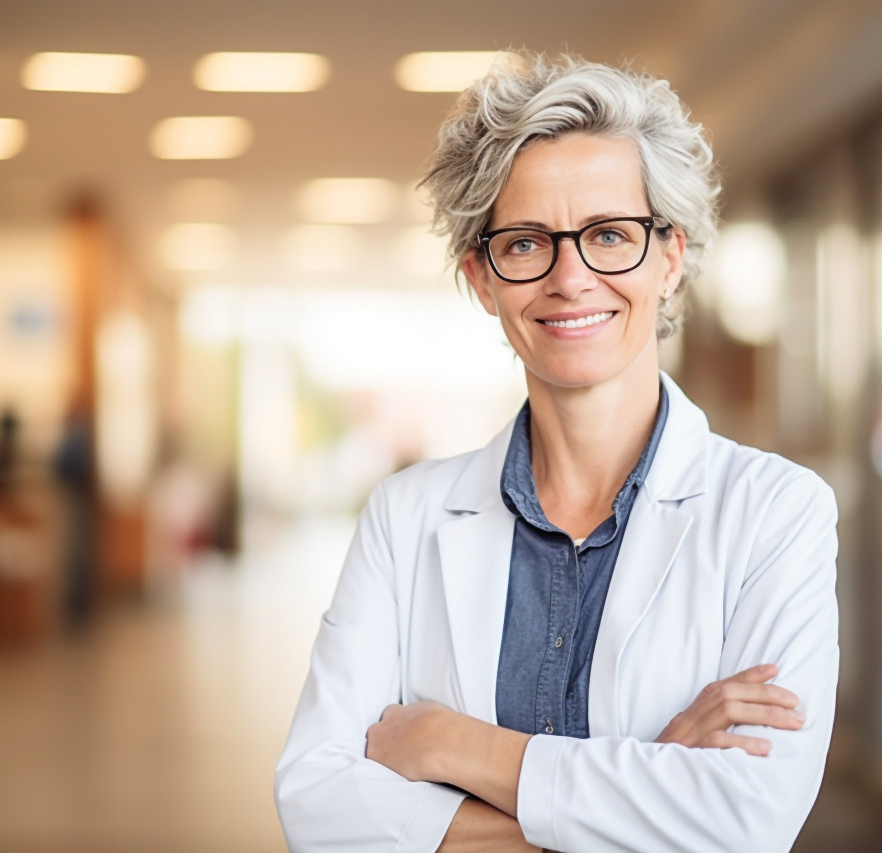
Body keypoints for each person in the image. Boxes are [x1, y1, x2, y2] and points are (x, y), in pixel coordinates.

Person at [274, 54, 839, 852]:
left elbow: (746, 818)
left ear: (669, 256)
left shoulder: (776, 511)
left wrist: (453, 746)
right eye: (528, 242)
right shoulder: (405, 517)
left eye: (610, 234)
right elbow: (317, 802)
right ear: (482, 275)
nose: (571, 277)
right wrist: (648, 778)